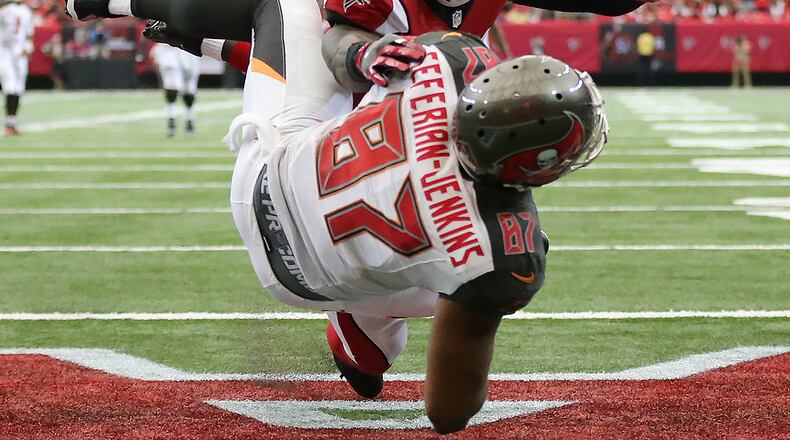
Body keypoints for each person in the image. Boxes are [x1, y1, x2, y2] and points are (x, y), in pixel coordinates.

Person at [224, 31, 608, 433]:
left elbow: (340, 46)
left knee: (295, 9)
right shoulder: (504, 251)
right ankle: (364, 331)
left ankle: (187, 33)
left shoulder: (451, 56)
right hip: (299, 280)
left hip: (263, 177)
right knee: (488, 274)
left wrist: (361, 53)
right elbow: (448, 413)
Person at [148, 37, 201, 136]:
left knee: (189, 92)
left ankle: (189, 120)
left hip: (189, 49)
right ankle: (171, 120)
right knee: (171, 89)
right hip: (170, 48)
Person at [0, 0, 34, 136]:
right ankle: (10, 123)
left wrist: (28, 47)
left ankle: (12, 122)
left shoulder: (25, 11)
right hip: (4, 51)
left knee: (18, 88)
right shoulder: (5, 10)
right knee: (10, 85)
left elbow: (29, 34)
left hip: (20, 53)